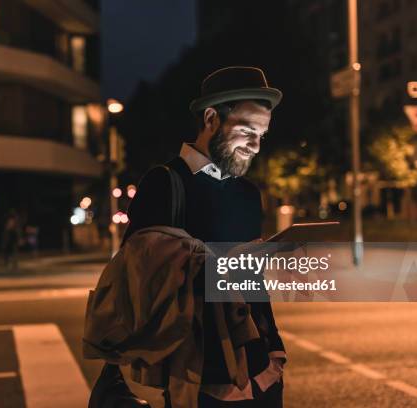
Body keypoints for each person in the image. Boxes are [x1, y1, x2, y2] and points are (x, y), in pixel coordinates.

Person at [89, 67, 286, 407]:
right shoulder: (165, 183)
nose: (255, 146)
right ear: (211, 119)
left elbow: (253, 284)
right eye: (247, 131)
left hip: (258, 368)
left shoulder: (248, 194)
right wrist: (212, 266)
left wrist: (274, 348)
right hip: (191, 370)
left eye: (262, 135)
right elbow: (140, 279)